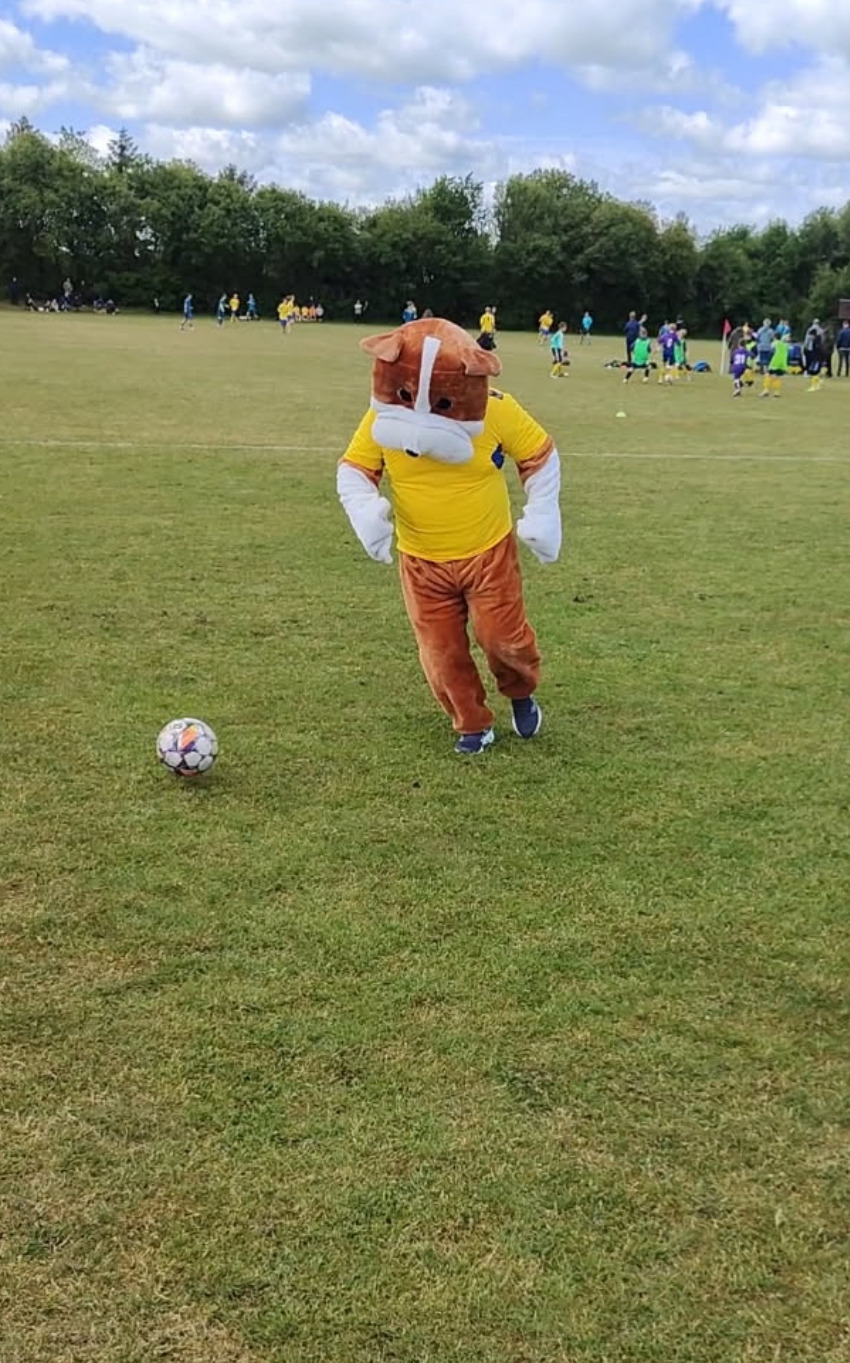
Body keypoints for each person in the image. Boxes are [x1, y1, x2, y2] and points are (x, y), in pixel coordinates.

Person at [336, 317, 561, 756]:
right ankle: (472, 722)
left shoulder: (493, 407)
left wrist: (543, 512)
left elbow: (539, 455)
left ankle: (520, 691)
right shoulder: (386, 413)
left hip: (488, 551)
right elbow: (355, 469)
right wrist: (366, 512)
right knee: (440, 653)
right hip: (421, 560)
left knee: (503, 640)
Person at [761, 332, 789, 398]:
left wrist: (767, 361)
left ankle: (766, 390)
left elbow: (771, 352)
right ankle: (776, 392)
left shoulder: (774, 343)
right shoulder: (785, 345)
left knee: (768, 375)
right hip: (782, 363)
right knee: (776, 377)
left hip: (774, 362)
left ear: (774, 337)